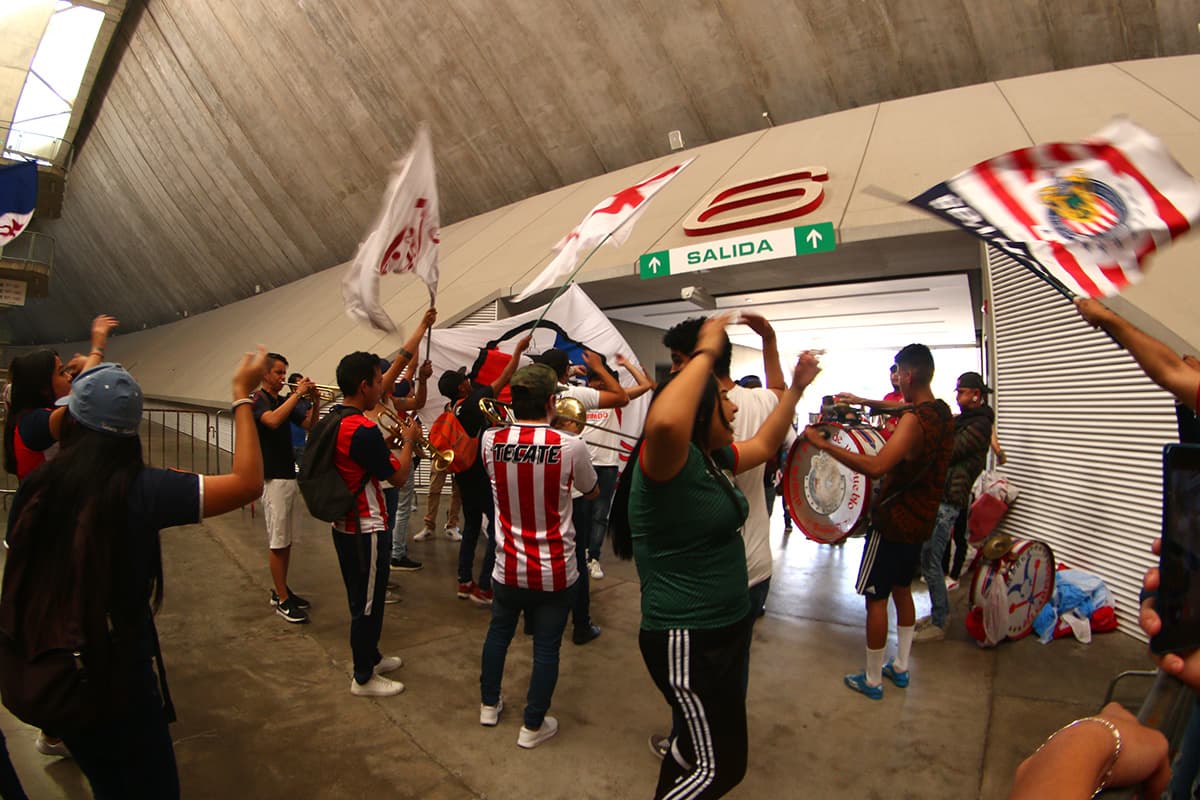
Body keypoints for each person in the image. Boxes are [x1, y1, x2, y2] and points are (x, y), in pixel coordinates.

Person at [2, 352, 267, 798]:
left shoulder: (39, 483)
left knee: (107, 781)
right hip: (115, 679)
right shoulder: (142, 489)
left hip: (55, 671)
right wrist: (241, 396)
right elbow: (246, 482)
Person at [613, 314, 819, 799]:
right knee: (721, 767)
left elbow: (767, 443)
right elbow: (664, 419)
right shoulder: (667, 463)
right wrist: (705, 352)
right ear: (698, 415)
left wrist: (795, 390)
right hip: (688, 637)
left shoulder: (710, 459)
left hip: (721, 630)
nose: (732, 407)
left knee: (690, 746)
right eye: (722, 401)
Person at [806, 344, 954, 699]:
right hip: (920, 522)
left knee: (876, 598)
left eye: (899, 373)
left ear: (908, 375)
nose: (897, 379)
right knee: (903, 590)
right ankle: (900, 667)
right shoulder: (942, 413)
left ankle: (872, 680)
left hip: (892, 523)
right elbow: (902, 406)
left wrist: (823, 445)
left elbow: (876, 466)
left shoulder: (912, 422)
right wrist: (863, 401)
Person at [2, 314, 117, 763]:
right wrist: (96, 349)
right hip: (50, 544)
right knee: (57, 633)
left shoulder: (34, 417)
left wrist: (88, 358)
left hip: (51, 536)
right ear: (39, 385)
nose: (64, 377)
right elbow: (89, 399)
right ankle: (56, 725)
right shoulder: (36, 423)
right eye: (57, 372)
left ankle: (56, 725)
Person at [477, 364, 598, 748]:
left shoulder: (489, 441)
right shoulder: (570, 445)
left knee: (498, 634)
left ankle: (488, 705)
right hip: (555, 571)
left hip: (506, 565)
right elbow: (591, 491)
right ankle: (532, 726)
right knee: (547, 647)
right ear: (551, 401)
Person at [328, 351, 419, 698]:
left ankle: (372, 656)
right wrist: (408, 441)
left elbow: (358, 458)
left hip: (347, 525)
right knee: (366, 604)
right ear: (364, 385)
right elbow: (397, 477)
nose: (383, 385)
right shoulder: (362, 427)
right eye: (379, 380)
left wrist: (385, 445)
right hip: (364, 526)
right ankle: (363, 676)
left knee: (367, 597)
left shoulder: (339, 418)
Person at [532, 346, 629, 644]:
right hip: (572, 491)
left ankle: (537, 621)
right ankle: (580, 624)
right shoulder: (577, 395)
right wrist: (598, 368)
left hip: (537, 484)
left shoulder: (529, 396)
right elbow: (622, 397)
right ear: (563, 372)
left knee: (542, 552)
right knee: (575, 557)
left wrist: (568, 373)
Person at [437, 334, 531, 605]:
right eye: (464, 379)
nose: (468, 380)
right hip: (481, 476)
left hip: (462, 476)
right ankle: (485, 585)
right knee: (498, 529)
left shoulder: (450, 409)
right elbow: (505, 376)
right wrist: (518, 351)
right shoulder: (475, 401)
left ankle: (463, 581)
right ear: (462, 387)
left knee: (471, 527)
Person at [913, 371, 996, 641]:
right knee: (928, 559)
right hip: (943, 495)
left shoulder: (980, 424)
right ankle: (938, 613)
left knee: (932, 560)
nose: (958, 396)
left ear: (975, 395)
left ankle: (940, 621)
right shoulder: (967, 421)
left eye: (961, 391)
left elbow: (949, 450)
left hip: (950, 499)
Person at [253, 353, 320, 624]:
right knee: (278, 541)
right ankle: (281, 599)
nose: (283, 378)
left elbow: (309, 425)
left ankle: (282, 589)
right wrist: (297, 394)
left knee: (287, 539)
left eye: (284, 373)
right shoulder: (258, 400)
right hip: (272, 479)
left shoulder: (283, 400)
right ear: (266, 374)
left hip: (287, 475)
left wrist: (314, 400)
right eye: (279, 373)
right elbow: (271, 421)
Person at [579, 354, 654, 581]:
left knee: (601, 514)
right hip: (584, 463)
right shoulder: (579, 398)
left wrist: (627, 365)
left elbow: (646, 386)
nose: (599, 384)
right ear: (588, 383)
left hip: (608, 464)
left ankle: (593, 557)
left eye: (602, 381)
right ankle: (580, 552)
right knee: (581, 513)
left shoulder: (613, 399)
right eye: (595, 381)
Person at [415, 402, 462, 542]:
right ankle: (428, 526)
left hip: (457, 455)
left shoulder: (462, 410)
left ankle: (452, 526)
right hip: (441, 454)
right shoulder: (439, 415)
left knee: (457, 491)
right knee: (434, 490)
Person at [285, 372, 310, 471]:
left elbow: (311, 423)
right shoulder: (284, 400)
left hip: (301, 443)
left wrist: (314, 400)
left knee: (305, 472)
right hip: (287, 443)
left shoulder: (306, 402)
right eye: (299, 383)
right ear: (292, 385)